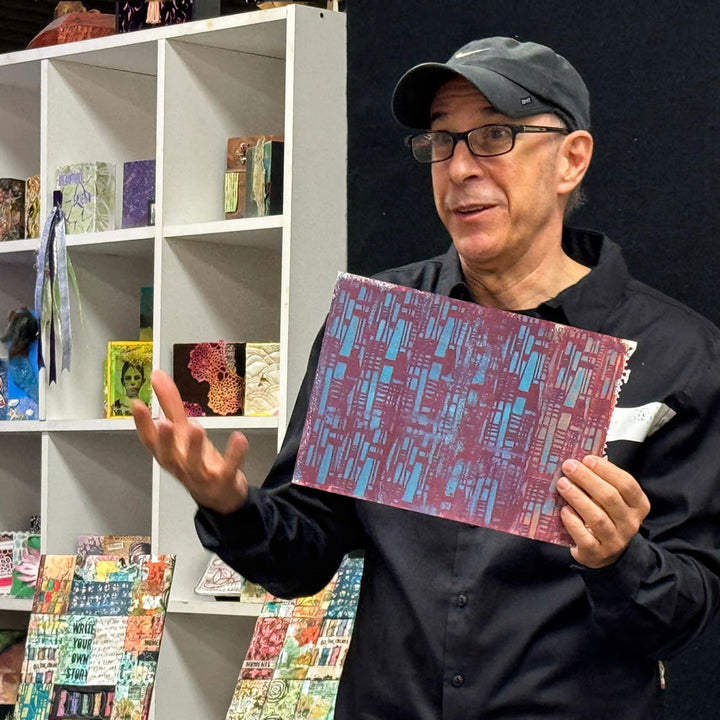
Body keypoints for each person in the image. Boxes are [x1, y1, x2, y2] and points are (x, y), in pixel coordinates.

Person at [132, 37, 720, 720]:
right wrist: (231, 505)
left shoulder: (676, 356)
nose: (460, 167)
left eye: (494, 135)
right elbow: (304, 555)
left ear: (571, 159)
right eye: (443, 141)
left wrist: (619, 558)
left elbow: (684, 613)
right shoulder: (385, 327)